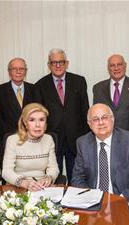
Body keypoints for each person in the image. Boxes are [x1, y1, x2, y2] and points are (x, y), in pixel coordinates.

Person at [72, 103, 129, 225]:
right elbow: (77, 178)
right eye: (95, 119)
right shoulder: (82, 143)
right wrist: (92, 199)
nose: (101, 122)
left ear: (112, 119)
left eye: (104, 117)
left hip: (125, 201)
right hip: (93, 203)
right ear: (89, 124)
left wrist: (120, 199)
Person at [34, 48, 89, 184]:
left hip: (75, 139)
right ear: (49, 65)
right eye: (54, 63)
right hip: (52, 140)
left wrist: (86, 138)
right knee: (52, 180)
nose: (58, 65)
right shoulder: (40, 85)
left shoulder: (79, 81)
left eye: (61, 62)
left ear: (67, 63)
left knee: (76, 180)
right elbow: (39, 117)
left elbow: (85, 111)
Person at [2, 103, 59, 191]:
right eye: (32, 120)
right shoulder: (12, 140)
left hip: (41, 188)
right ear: (25, 123)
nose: (38, 125)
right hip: (17, 187)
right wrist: (24, 183)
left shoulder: (49, 139)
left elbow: (53, 167)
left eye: (41, 120)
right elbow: (6, 171)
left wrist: (49, 178)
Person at [0, 58, 35, 170]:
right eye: (14, 69)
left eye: (21, 68)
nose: (18, 71)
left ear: (25, 71)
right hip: (8, 142)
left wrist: (29, 135)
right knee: (10, 179)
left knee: (30, 177)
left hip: (31, 141)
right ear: (9, 71)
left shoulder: (34, 89)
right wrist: (15, 137)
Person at [93, 54, 129, 132]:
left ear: (125, 66)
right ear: (108, 68)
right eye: (112, 65)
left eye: (119, 64)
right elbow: (96, 114)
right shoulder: (98, 88)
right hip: (106, 135)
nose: (116, 68)